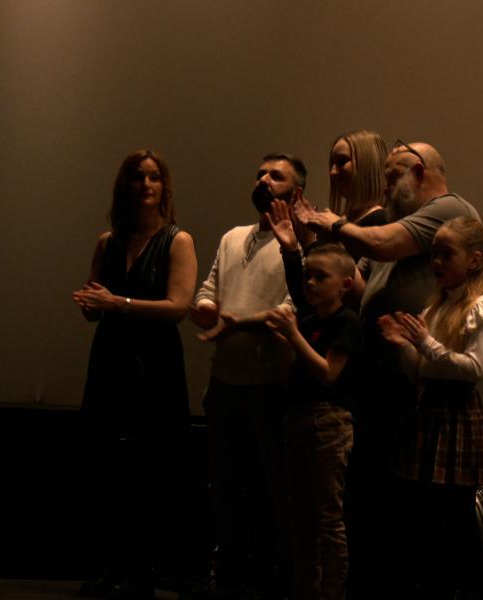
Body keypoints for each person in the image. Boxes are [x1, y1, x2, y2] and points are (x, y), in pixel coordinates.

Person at [294, 141, 480, 598]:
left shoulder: (447, 208)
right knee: (373, 497)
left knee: (411, 505)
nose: (387, 185)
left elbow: (386, 243)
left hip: (421, 379)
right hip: (382, 376)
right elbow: (356, 288)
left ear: (418, 172)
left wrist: (332, 221)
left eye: (394, 174)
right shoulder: (396, 224)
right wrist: (309, 242)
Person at [73, 149, 197, 598]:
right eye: (137, 178)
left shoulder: (176, 240)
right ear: (124, 187)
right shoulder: (108, 241)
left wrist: (117, 304)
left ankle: (145, 572)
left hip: (155, 362)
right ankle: (112, 565)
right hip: (111, 360)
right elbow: (95, 303)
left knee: (151, 465)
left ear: (164, 187)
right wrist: (92, 305)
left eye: (154, 178)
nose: (146, 185)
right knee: (108, 464)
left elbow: (179, 307)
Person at [189, 153, 306, 598]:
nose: (263, 180)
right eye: (260, 173)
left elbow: (296, 308)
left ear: (296, 192)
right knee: (224, 485)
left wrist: (239, 321)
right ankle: (230, 572)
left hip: (270, 385)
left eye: (275, 175)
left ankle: (275, 579)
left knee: (275, 490)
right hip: (225, 384)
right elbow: (209, 291)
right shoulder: (233, 237)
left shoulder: (302, 242)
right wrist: (200, 310)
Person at [378, 216, 483, 598]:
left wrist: (424, 343)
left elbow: (473, 369)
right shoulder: (435, 306)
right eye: (434, 254)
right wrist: (402, 343)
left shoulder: (479, 307)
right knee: (424, 518)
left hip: (456, 416)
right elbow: (422, 372)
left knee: (454, 520)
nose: (436, 262)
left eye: (446, 254)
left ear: (473, 260)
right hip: (429, 413)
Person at [261, 207, 363, 599]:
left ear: (345, 284)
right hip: (297, 419)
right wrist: (284, 340)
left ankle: (332, 592)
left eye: (321, 277)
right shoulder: (307, 321)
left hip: (329, 423)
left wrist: (293, 335)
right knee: (299, 518)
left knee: (326, 519)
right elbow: (294, 371)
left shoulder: (345, 322)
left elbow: (328, 374)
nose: (310, 283)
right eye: (307, 276)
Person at [320, 130, 390, 258]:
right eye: (332, 164)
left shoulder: (381, 221)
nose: (333, 172)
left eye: (342, 162)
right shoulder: (343, 219)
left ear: (367, 164)